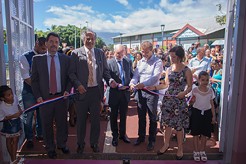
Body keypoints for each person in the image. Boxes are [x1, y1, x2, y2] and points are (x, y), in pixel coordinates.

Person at [69, 29, 117, 154]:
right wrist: (78, 85)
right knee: (81, 121)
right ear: (83, 39)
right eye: (87, 38)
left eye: (92, 38)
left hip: (96, 91)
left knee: (96, 120)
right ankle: (80, 144)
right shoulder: (75, 53)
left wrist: (110, 80)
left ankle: (94, 143)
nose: (90, 41)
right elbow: (71, 73)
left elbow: (105, 72)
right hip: (82, 92)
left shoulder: (100, 53)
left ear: (95, 40)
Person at [147, 46, 192, 160]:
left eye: (174, 56)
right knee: (167, 125)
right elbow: (166, 84)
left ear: (180, 57)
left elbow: (190, 87)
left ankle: (180, 148)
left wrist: (184, 92)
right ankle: (166, 144)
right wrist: (154, 87)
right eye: (171, 56)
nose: (171, 59)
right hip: (168, 100)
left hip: (179, 101)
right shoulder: (169, 69)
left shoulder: (187, 70)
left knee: (178, 127)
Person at [31, 32, 71, 159]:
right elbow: (34, 80)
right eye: (51, 42)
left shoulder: (65, 59)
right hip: (45, 99)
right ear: (46, 43)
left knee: (62, 123)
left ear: (58, 44)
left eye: (56, 42)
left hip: (61, 97)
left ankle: (61, 144)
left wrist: (67, 90)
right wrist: (38, 96)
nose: (54, 44)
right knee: (46, 124)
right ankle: (50, 147)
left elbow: (70, 77)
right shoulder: (37, 60)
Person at [129, 41, 163, 151]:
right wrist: (132, 83)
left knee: (152, 117)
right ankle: (141, 137)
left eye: (146, 52)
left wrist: (143, 84)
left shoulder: (157, 62)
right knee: (141, 116)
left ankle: (152, 140)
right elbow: (136, 75)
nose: (144, 54)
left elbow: (155, 77)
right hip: (140, 92)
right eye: (142, 52)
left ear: (151, 50)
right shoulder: (140, 62)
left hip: (151, 92)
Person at [19, 37, 46, 149]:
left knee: (41, 114)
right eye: (43, 48)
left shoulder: (46, 56)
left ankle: (40, 134)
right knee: (28, 116)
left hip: (42, 92)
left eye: (46, 49)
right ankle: (29, 138)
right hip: (29, 92)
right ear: (37, 44)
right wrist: (38, 90)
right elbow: (26, 77)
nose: (45, 51)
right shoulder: (25, 57)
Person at [107, 44, 133, 146]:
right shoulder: (109, 63)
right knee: (113, 116)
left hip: (125, 94)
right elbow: (107, 76)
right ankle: (115, 136)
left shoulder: (128, 61)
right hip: (114, 94)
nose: (120, 55)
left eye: (122, 53)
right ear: (114, 52)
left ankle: (122, 134)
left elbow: (131, 74)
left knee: (123, 115)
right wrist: (112, 82)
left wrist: (132, 83)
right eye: (118, 53)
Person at [190, 71, 216, 162]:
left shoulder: (210, 90)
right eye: (203, 80)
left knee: (204, 134)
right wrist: (192, 101)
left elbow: (212, 104)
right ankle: (196, 151)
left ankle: (202, 151)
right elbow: (191, 102)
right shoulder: (195, 90)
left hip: (207, 113)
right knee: (196, 134)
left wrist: (213, 116)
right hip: (196, 113)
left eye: (207, 80)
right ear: (198, 80)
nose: (205, 82)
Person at [0, 85, 22, 163]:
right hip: (8, 123)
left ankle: (13, 159)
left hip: (17, 122)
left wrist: (20, 110)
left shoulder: (15, 97)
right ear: (3, 98)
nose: (12, 95)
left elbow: (17, 105)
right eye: (8, 95)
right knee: (9, 140)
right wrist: (12, 116)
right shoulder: (2, 106)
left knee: (15, 141)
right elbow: (1, 118)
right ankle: (13, 159)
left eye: (11, 93)